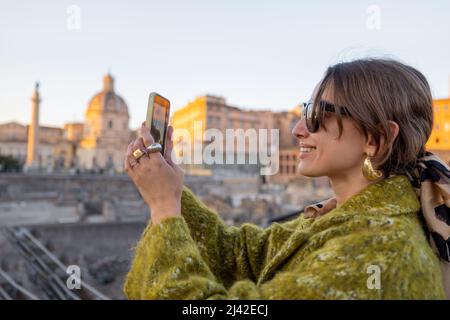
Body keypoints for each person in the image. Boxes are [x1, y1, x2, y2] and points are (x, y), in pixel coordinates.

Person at [122, 58, 449, 299]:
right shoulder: (342, 217)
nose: (298, 129)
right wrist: (173, 191)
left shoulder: (381, 254)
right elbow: (242, 255)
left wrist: (164, 206)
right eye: (306, 111)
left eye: (318, 115)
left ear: (375, 138)